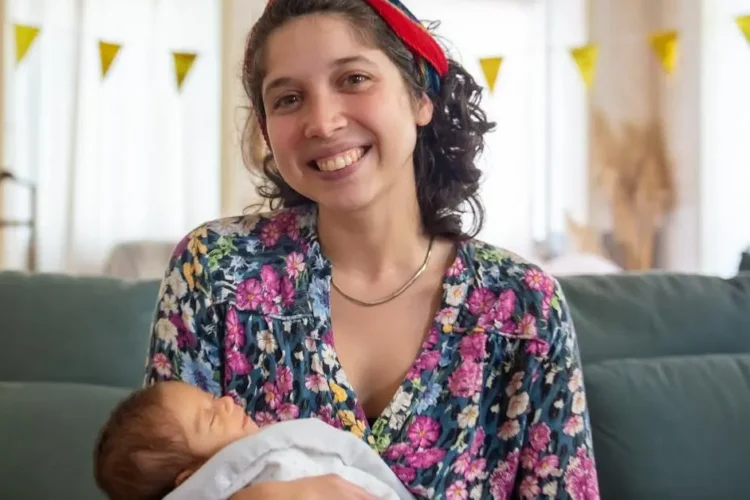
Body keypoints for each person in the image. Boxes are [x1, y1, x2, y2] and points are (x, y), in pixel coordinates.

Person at [144, 0, 601, 498]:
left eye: (353, 79)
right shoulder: (212, 269)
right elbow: (160, 481)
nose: (321, 122)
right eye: (289, 99)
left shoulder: (523, 308)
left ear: (419, 96)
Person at [93, 381, 412, 500]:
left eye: (213, 398)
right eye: (212, 417)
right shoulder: (271, 471)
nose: (229, 402)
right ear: (191, 479)